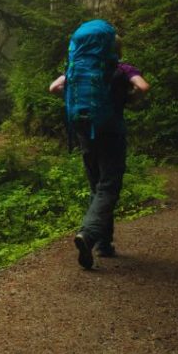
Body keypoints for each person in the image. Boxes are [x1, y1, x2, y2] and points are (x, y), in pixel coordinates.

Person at [49, 42, 150, 269]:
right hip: (111, 134)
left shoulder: (79, 68)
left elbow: (54, 88)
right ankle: (90, 235)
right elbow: (143, 87)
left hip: (86, 133)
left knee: (97, 186)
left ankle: (104, 244)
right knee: (109, 186)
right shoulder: (123, 69)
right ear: (117, 50)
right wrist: (128, 98)